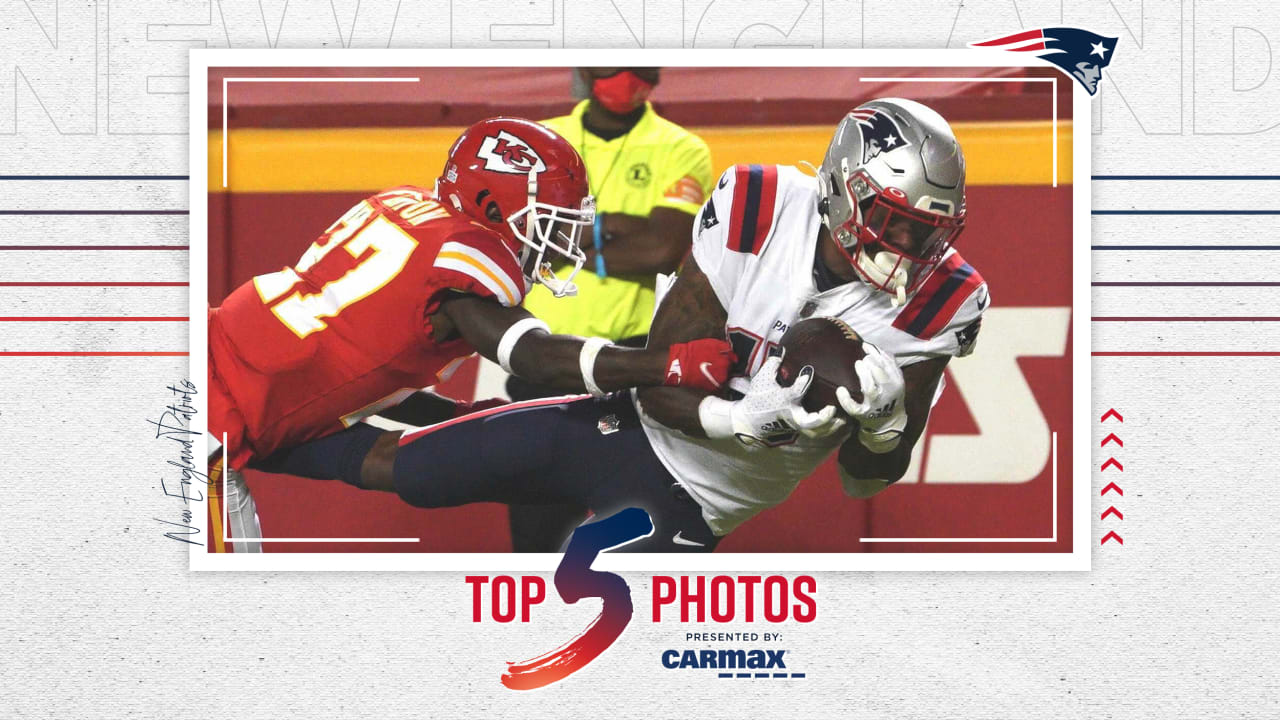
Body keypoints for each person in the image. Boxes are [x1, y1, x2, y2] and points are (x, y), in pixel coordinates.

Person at [265, 98, 989, 552]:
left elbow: (866, 485)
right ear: (839, 187)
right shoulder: (759, 203)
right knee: (416, 467)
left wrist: (887, 426)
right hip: (626, 425)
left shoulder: (945, 300)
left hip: (700, 501)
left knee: (580, 609)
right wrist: (744, 419)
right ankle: (249, 437)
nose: (909, 249)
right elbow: (659, 385)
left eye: (929, 234)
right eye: (893, 221)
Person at [206, 117, 734, 552]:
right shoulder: (467, 259)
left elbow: (361, 363)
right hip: (202, 423)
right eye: (546, 221)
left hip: (220, 381)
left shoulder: (406, 207)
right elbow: (531, 355)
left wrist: (467, 423)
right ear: (488, 207)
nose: (558, 241)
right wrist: (665, 363)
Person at [504, 67, 714, 551]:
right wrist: (614, 228)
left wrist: (567, 236)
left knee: (643, 532)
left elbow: (662, 250)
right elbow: (521, 237)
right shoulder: (540, 140)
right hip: (545, 362)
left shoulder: (680, 148)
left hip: (633, 365)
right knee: (536, 539)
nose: (624, 74)